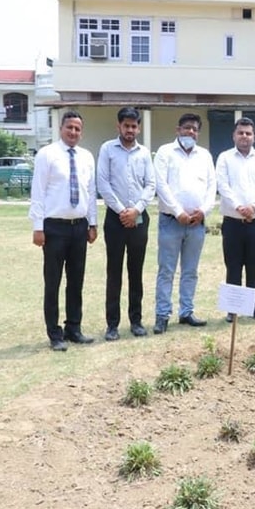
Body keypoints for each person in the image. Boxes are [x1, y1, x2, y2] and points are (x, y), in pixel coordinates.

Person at [29, 110, 98, 351]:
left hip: (79, 227)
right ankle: (54, 334)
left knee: (76, 281)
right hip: (54, 228)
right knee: (53, 282)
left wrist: (92, 223)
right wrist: (38, 227)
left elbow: (90, 193)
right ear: (61, 128)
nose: (73, 132)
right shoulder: (47, 154)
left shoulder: (87, 157)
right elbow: (38, 192)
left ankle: (73, 328)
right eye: (69, 127)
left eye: (78, 129)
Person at [153, 113, 216, 334]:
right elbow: (161, 185)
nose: (191, 132)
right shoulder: (165, 152)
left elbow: (211, 187)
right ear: (177, 129)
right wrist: (178, 211)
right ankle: (162, 315)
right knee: (167, 270)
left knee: (190, 270)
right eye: (187, 128)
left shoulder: (205, 156)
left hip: (196, 224)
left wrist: (204, 211)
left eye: (195, 129)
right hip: (171, 221)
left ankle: (186, 311)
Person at [96, 107, 156, 342]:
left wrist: (136, 210)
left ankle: (136, 321)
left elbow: (151, 184)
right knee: (114, 272)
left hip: (139, 218)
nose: (130, 130)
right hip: (115, 219)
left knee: (136, 271)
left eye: (134, 126)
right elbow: (103, 183)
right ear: (118, 126)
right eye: (126, 126)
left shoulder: (144, 153)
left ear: (138, 128)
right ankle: (112, 324)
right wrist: (123, 211)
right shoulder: (107, 149)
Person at [216, 116, 255, 321]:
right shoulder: (224, 158)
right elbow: (222, 185)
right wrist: (239, 207)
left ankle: (253, 307)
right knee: (233, 266)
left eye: (248, 133)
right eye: (240, 132)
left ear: (254, 137)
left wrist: (254, 206)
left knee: (254, 267)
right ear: (234, 135)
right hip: (233, 222)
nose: (244, 136)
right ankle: (232, 309)